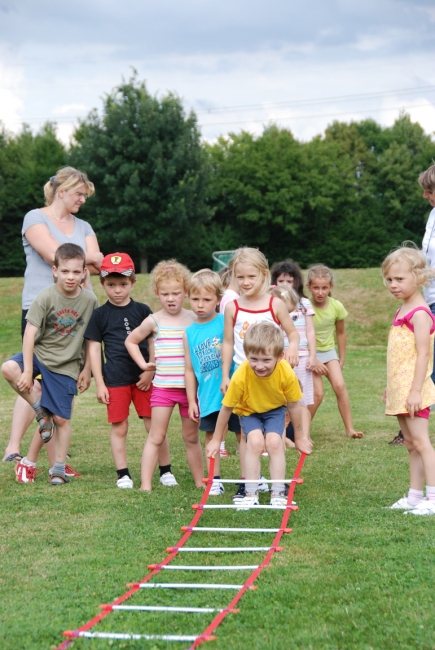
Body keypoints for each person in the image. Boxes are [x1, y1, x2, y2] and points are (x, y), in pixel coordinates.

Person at [3, 166, 103, 464]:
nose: (83, 200)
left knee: (55, 378)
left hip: (75, 309)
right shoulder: (35, 217)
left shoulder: (83, 226)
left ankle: (50, 447)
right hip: (39, 306)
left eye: (85, 195)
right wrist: (87, 258)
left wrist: (87, 261)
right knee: (29, 373)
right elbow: (52, 255)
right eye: (80, 194)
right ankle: (12, 446)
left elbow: (97, 267)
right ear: (62, 191)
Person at [1, 244, 99, 485]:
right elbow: (29, 334)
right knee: (8, 368)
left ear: (84, 272)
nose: (71, 277)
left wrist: (87, 369)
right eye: (65, 271)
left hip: (66, 365)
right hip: (40, 355)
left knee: (62, 419)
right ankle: (40, 411)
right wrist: (26, 371)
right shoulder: (45, 296)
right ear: (55, 270)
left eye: (76, 272)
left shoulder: (90, 300)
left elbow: (92, 338)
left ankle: (58, 469)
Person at [84, 252, 174, 489]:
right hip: (115, 380)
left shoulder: (143, 310)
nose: (117, 290)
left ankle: (166, 470)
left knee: (154, 425)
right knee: (119, 426)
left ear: (132, 283)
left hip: (143, 379)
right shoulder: (99, 315)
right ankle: (123, 474)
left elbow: (155, 341)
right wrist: (100, 383)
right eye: (111, 285)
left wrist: (151, 371)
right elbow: (94, 350)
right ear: (102, 284)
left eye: (123, 284)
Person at [221, 247, 300, 501]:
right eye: (240, 277)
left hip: (271, 378)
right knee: (247, 436)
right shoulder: (233, 307)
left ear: (264, 275)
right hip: (244, 379)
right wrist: (225, 375)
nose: (245, 283)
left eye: (251, 277)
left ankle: (278, 485)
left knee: (273, 438)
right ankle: (248, 484)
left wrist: (294, 349)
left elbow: (293, 332)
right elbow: (227, 343)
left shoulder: (274, 303)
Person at [208, 322, 312, 509]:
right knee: (254, 442)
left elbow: (295, 406)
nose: (259, 366)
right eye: (254, 359)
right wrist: (216, 439)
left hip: (275, 409)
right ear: (246, 355)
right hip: (249, 410)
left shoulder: (286, 373)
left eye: (266, 360)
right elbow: (226, 408)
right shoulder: (241, 375)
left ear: (280, 357)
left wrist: (299, 436)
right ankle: (250, 493)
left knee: (274, 442)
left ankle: (278, 493)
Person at [125, 259, 203, 492]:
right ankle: (146, 485)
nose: (171, 298)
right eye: (165, 294)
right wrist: (144, 364)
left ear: (186, 293)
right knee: (156, 436)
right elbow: (131, 340)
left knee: (191, 437)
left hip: (191, 391)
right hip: (163, 390)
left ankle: (201, 482)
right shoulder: (154, 320)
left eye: (176, 293)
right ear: (157, 294)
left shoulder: (194, 318)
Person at [381, 246, 435, 515]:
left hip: (416, 391)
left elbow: (424, 355)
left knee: (423, 443)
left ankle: (433, 499)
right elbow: (400, 356)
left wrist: (415, 391)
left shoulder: (420, 314)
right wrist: (391, 387)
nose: (393, 285)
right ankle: (414, 496)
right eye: (389, 279)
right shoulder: (402, 309)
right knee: (411, 444)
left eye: (400, 279)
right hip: (401, 389)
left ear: (419, 277)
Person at [184, 269, 241, 496]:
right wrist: (191, 400)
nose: (200, 304)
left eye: (207, 300)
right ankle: (214, 479)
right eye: (195, 299)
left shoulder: (226, 320)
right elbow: (189, 370)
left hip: (234, 390)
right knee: (211, 436)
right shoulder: (188, 333)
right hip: (208, 395)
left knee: (242, 433)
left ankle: (250, 478)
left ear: (218, 300)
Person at [307, 264, 363, 439]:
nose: (320, 292)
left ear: (331, 287)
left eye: (324, 288)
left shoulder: (336, 306)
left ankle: (350, 429)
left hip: (329, 352)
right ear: (309, 287)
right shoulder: (304, 306)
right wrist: (312, 358)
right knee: (318, 393)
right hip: (310, 354)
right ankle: (301, 432)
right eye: (316, 287)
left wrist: (341, 359)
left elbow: (341, 333)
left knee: (340, 385)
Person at [217, 258, 240, 458]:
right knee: (227, 403)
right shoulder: (231, 298)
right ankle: (221, 442)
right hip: (231, 358)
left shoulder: (231, 295)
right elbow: (228, 334)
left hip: (232, 356)